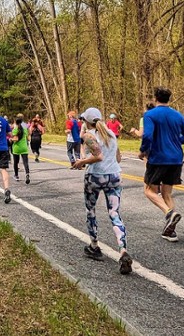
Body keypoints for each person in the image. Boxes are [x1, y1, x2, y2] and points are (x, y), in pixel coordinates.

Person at [72, 107, 132, 275]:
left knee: (91, 211)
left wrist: (81, 162)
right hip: (114, 176)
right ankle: (123, 250)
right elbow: (118, 158)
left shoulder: (89, 136)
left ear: (86, 122)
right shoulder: (111, 134)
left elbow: (98, 156)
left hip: (95, 177)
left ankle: (94, 246)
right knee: (115, 213)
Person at [140, 87, 184, 242]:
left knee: (149, 191)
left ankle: (169, 213)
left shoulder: (150, 115)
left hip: (158, 158)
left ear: (155, 98)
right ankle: (170, 231)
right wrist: (177, 140)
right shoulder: (177, 115)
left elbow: (148, 136)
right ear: (168, 99)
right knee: (167, 193)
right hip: (176, 159)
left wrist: (143, 151)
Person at [10, 114, 31, 184]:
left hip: (16, 148)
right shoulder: (25, 129)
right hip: (24, 147)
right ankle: (27, 174)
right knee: (25, 162)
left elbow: (15, 139)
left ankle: (16, 175)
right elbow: (28, 138)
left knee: (16, 162)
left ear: (16, 123)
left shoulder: (15, 130)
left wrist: (11, 139)